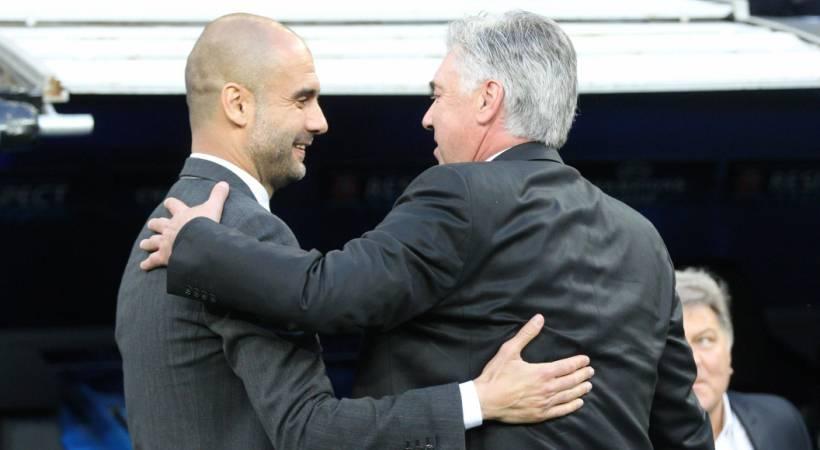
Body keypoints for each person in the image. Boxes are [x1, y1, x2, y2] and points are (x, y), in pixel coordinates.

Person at [141, 10, 713, 449]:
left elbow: (326, 294)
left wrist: (196, 244)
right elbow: (682, 428)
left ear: (488, 100)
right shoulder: (643, 239)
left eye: (437, 95)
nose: (427, 116)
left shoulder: (461, 194)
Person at [677, 268, 813, 450]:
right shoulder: (637, 441)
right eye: (675, 345)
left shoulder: (781, 423)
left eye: (705, 340)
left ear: (729, 351)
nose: (693, 361)